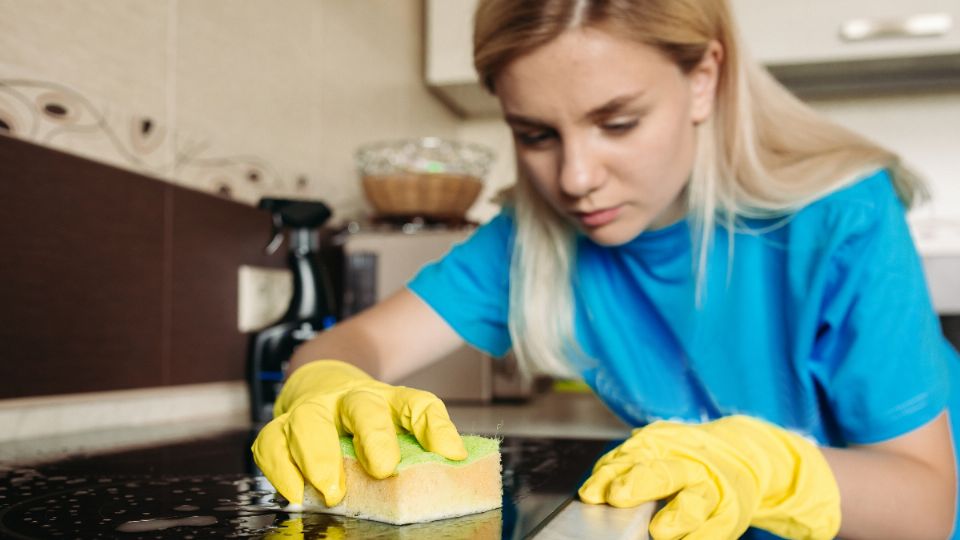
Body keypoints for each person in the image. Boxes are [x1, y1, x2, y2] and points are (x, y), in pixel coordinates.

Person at [252, 0, 959, 538]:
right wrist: (327, 386)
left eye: (617, 123)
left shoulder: (843, 217)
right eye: (536, 135)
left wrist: (768, 464)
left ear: (705, 79)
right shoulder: (535, 237)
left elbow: (926, 503)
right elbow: (353, 345)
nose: (577, 178)